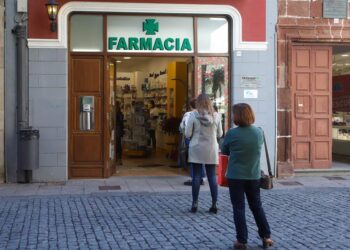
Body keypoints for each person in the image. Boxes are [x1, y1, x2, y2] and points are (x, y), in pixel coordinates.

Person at [221, 103, 273, 249]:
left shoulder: (232, 133)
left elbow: (224, 151)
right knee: (257, 207)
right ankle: (266, 236)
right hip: (254, 175)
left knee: (239, 208)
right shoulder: (258, 132)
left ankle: (241, 241)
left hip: (236, 176)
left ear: (236, 116)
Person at [185, 94, 223, 213]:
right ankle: (214, 204)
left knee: (196, 176)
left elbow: (187, 133)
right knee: (212, 176)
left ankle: (195, 204)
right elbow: (220, 134)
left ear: (198, 103)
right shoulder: (216, 116)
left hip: (196, 147)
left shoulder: (193, 115)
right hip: (211, 147)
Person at [179, 99, 205, 186]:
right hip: (202, 139)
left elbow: (183, 127)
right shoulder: (204, 114)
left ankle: (194, 178)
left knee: (192, 159)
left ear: (191, 106)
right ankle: (201, 177)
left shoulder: (188, 114)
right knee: (200, 158)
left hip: (190, 138)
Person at [115, 101, 124, 165]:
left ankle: (119, 159)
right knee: (118, 144)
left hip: (117, 130)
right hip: (118, 130)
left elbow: (120, 122)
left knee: (118, 144)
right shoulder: (119, 113)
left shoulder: (119, 113)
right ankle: (118, 159)